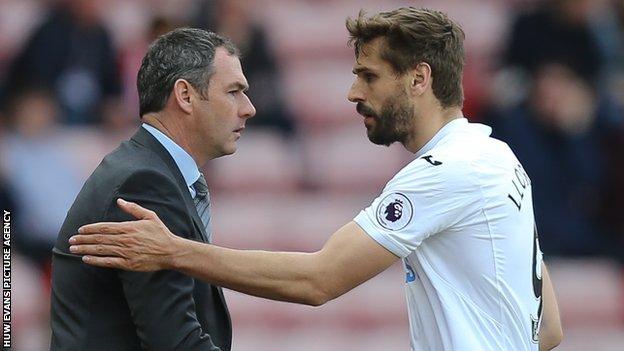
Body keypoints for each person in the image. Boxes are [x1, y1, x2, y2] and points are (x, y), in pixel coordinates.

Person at [68, 8, 563, 351]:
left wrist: (174, 250)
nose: (351, 92)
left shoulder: (444, 173)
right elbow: (548, 331)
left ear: (419, 79)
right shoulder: (498, 158)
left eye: (369, 76)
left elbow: (318, 279)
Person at [50, 28, 255, 351]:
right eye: (233, 92)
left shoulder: (147, 171)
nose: (248, 108)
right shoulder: (145, 183)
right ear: (185, 96)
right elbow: (174, 343)